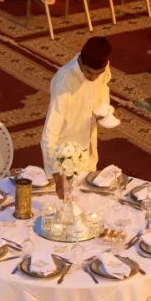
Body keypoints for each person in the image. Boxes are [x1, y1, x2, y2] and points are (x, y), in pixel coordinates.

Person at [40, 36, 113, 198]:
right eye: (89, 72)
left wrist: (104, 110)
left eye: (98, 73)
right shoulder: (64, 80)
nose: (94, 78)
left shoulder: (102, 68)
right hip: (64, 161)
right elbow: (49, 133)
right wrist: (56, 176)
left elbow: (103, 86)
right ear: (80, 60)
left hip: (89, 156)